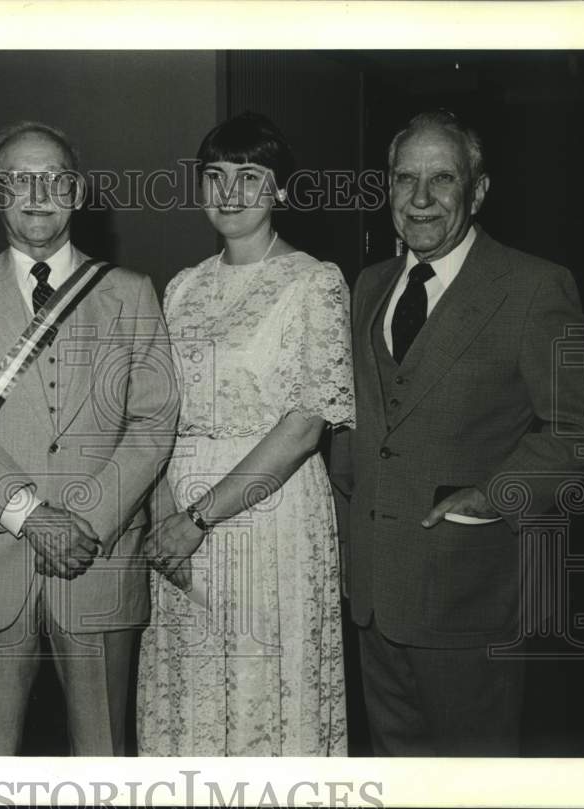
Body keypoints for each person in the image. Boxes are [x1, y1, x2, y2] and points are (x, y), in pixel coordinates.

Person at [0, 121, 178, 756]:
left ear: (79, 192)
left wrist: (84, 521)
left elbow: (154, 421)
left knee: (104, 758)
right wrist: (33, 516)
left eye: (54, 179)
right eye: (17, 180)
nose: (37, 194)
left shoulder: (131, 293)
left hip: (100, 555)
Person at [347, 110, 584, 755]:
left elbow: (580, 427)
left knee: (474, 775)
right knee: (396, 774)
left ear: (478, 191)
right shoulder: (368, 286)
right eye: (406, 179)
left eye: (442, 179)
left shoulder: (533, 286)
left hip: (470, 594)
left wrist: (495, 493)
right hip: (373, 597)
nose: (421, 198)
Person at [136, 112, 354, 756]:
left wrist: (198, 518)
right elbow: (158, 416)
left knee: (263, 695)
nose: (229, 193)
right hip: (178, 517)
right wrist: (164, 515)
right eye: (215, 176)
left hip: (269, 515)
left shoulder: (315, 282)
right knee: (193, 700)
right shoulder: (182, 287)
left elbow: (305, 426)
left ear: (281, 190)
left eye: (250, 177)